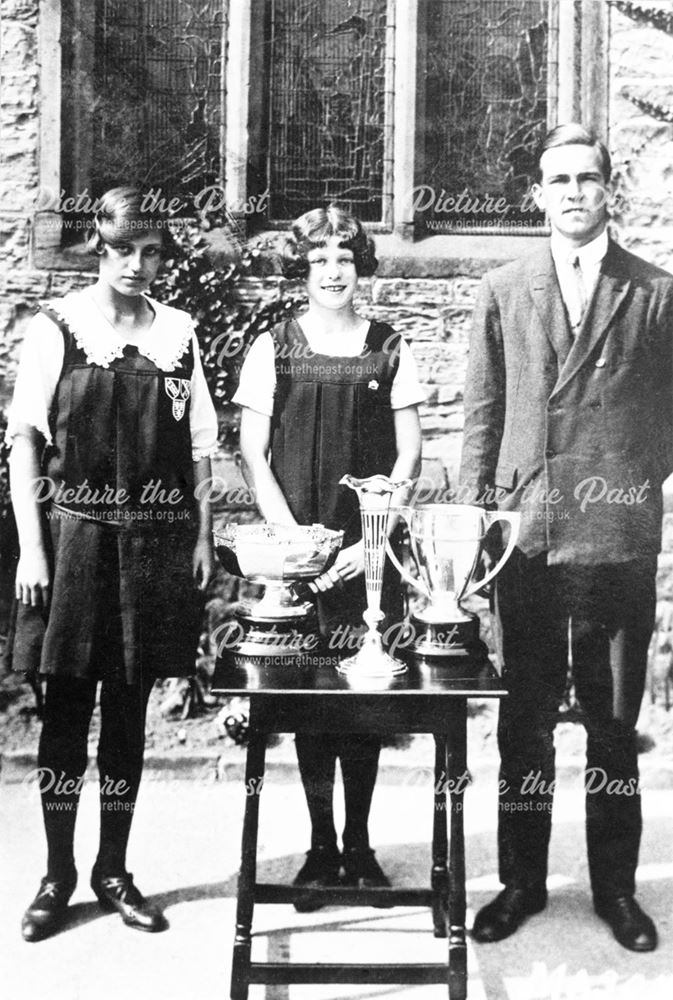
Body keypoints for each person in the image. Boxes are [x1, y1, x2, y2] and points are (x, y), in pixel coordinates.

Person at [459, 124, 673, 952]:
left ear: (607, 189)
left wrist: (630, 487)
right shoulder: (503, 288)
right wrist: (481, 518)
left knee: (615, 725)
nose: (574, 191)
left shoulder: (654, 293)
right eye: (559, 180)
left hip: (616, 537)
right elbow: (481, 418)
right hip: (529, 536)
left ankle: (616, 892)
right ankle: (519, 883)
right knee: (525, 722)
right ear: (537, 195)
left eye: (588, 178)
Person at [8, 187, 218, 941]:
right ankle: (58, 874)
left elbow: (199, 450)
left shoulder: (181, 336)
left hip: (151, 544)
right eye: (123, 249)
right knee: (64, 717)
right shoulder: (56, 328)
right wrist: (33, 547)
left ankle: (113, 869)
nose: (137, 264)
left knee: (127, 716)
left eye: (151, 251)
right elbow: (26, 441)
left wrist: (201, 536)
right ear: (100, 248)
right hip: (70, 545)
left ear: (164, 256)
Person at [234, 205, 423, 908]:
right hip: (298, 562)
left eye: (344, 258)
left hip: (366, 557)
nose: (333, 271)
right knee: (311, 703)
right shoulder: (272, 348)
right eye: (319, 261)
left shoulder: (389, 346)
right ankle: (318, 848)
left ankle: (360, 846)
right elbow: (253, 452)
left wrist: (368, 539)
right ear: (303, 269)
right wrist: (295, 544)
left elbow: (409, 452)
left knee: (364, 704)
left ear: (359, 265)